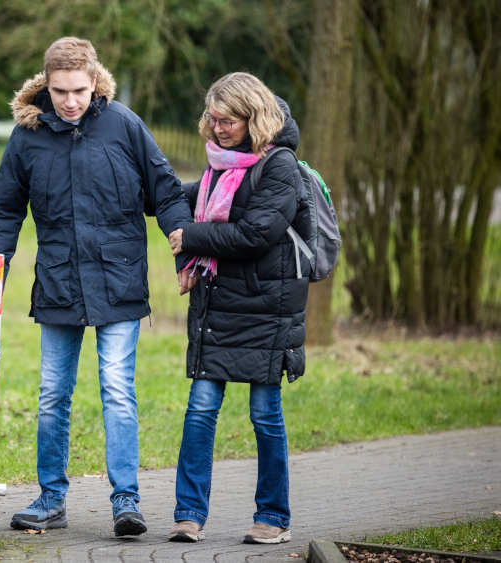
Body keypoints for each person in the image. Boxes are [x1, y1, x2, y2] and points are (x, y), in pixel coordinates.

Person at [0, 37, 191, 537]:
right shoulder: (27, 136)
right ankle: (51, 499)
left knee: (117, 391)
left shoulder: (124, 124)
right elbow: (4, 210)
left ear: (95, 82)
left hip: (119, 283)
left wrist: (187, 249)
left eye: (78, 90)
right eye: (59, 91)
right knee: (53, 393)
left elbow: (165, 188)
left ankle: (126, 502)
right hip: (58, 285)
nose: (69, 101)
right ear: (45, 85)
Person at [166, 71, 307, 545]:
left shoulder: (280, 166)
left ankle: (273, 516)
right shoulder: (218, 168)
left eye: (229, 120)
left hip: (267, 311)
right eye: (213, 118)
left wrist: (191, 237)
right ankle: (188, 514)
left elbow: (256, 233)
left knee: (265, 415)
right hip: (217, 309)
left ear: (254, 117)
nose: (218, 128)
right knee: (200, 410)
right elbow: (177, 197)